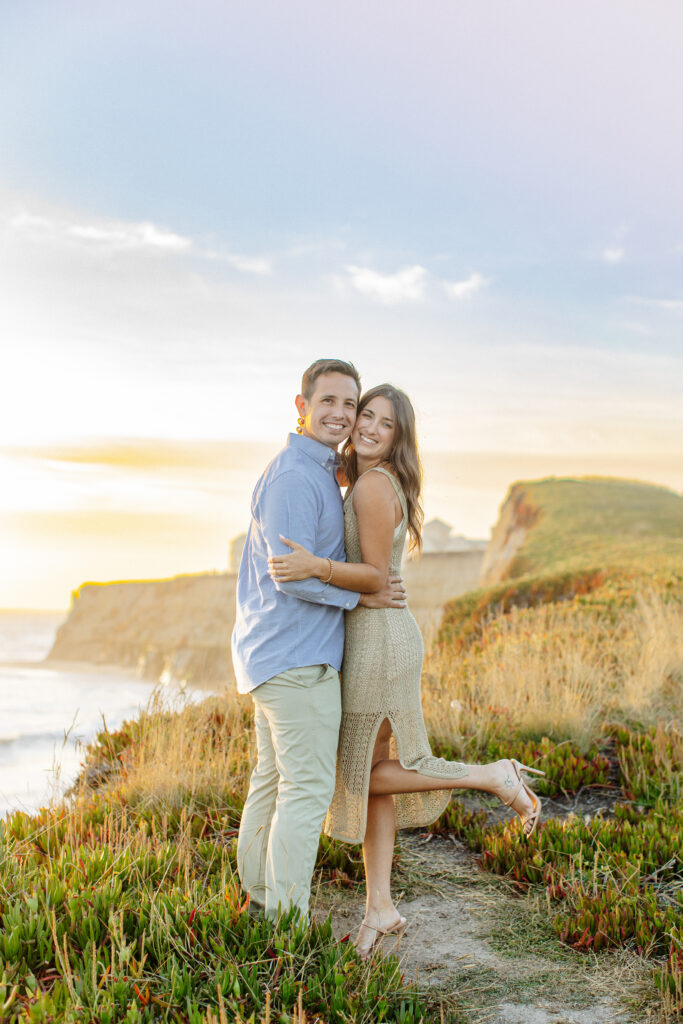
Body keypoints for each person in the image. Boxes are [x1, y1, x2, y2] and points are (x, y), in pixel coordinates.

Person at [268, 384, 544, 957]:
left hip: (380, 643)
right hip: (380, 635)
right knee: (373, 780)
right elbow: (374, 575)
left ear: (398, 436)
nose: (366, 426)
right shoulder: (372, 479)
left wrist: (314, 567)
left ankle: (490, 776)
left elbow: (372, 575)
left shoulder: (372, 484)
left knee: (365, 774)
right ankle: (380, 909)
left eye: (382, 423)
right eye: (363, 414)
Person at [232, 359, 406, 922]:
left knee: (274, 780)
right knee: (306, 790)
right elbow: (293, 574)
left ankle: (262, 900)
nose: (340, 414)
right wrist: (363, 595)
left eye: (348, 404)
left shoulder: (318, 474)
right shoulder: (294, 475)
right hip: (297, 658)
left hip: (278, 654)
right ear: (302, 407)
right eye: (327, 401)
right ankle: (286, 922)